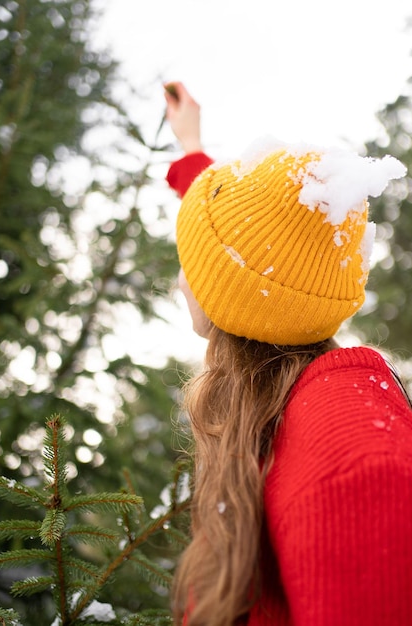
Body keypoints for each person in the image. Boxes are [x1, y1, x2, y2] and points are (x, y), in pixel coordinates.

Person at [163, 81, 412, 626]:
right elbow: (251, 255)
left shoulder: (353, 449)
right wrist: (190, 147)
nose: (182, 280)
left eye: (191, 260)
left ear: (233, 295)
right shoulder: (285, 377)